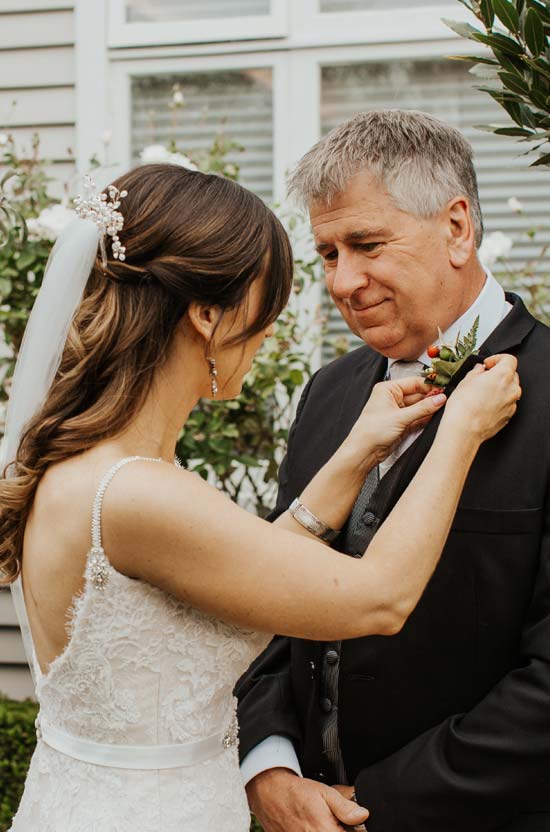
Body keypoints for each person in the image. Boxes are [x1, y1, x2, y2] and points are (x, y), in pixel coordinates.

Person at [0, 162, 518, 832]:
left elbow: (259, 566)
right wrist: (461, 432)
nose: (271, 332)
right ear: (209, 316)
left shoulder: (93, 470)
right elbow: (377, 597)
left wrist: (358, 447)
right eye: (267, 307)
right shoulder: (137, 495)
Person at [236, 109, 550, 832]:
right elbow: (272, 594)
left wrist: (380, 810)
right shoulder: (329, 393)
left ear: (458, 228)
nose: (344, 281)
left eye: (367, 244)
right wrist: (269, 766)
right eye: (326, 254)